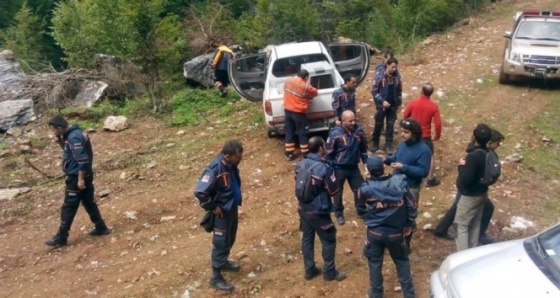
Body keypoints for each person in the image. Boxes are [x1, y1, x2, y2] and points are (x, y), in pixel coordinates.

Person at [44, 115, 109, 247]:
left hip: (77, 177)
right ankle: (101, 227)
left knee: (69, 206)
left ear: (60, 127)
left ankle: (61, 237)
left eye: (54, 130)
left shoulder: (73, 138)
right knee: (88, 202)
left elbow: (83, 160)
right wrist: (60, 142)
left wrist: (80, 179)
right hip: (86, 175)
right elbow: (70, 152)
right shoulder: (74, 134)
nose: (54, 132)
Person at [434, 128, 504, 244]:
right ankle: (474, 238)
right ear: (489, 142)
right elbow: (468, 177)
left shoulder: (479, 150)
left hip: (472, 188)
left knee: (464, 206)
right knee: (462, 222)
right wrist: (461, 167)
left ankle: (442, 229)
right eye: (497, 143)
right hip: (471, 189)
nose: (499, 145)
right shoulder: (479, 154)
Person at [360, 155, 417, 298]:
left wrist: (368, 179)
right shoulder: (400, 182)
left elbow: (361, 207)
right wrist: (409, 223)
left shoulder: (365, 188)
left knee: (374, 263)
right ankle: (409, 294)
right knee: (402, 261)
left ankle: (376, 294)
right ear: (383, 167)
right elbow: (412, 206)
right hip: (396, 233)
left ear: (368, 171)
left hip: (375, 233)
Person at [194, 140, 244, 292]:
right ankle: (215, 277)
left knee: (230, 238)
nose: (240, 159)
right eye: (237, 157)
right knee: (221, 242)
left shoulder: (230, 165)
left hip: (231, 208)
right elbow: (200, 191)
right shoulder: (215, 169)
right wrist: (213, 207)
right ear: (228, 156)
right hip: (221, 212)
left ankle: (223, 262)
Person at [296, 136, 346, 282]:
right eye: (324, 145)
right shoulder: (324, 168)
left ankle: (309, 269)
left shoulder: (300, 164)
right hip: (319, 211)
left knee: (307, 238)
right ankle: (329, 272)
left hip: (304, 209)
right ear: (320, 148)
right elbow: (333, 190)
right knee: (329, 239)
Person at [382, 118, 430, 248]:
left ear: (414, 133)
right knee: (393, 213)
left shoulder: (424, 150)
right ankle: (393, 240)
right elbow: (396, 157)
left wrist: (404, 167)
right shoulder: (402, 144)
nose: (402, 134)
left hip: (410, 188)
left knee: (408, 217)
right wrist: (386, 159)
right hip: (396, 185)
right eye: (402, 131)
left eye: (406, 132)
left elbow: (423, 172)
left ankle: (406, 244)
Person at [326, 110, 369, 225]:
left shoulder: (359, 132)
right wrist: (330, 170)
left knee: (359, 189)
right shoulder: (335, 134)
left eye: (354, 120)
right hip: (339, 168)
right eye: (350, 121)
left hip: (353, 167)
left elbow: (364, 149)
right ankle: (338, 213)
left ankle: (361, 211)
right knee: (338, 192)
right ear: (343, 121)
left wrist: (366, 164)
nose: (353, 123)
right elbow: (329, 154)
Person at [454, 123, 492, 251]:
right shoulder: (489, 154)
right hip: (482, 193)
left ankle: (462, 256)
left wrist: (461, 166)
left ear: (473, 137)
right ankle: (472, 251)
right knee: (475, 223)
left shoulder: (473, 156)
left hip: (469, 196)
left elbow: (466, 179)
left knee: (461, 225)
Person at [403, 82, 442, 187]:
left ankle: (407, 173)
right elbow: (438, 124)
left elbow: (405, 115)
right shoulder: (433, 106)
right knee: (430, 156)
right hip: (425, 135)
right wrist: (437, 135)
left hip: (413, 133)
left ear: (421, 91)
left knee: (409, 152)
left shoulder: (413, 103)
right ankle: (430, 179)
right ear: (431, 94)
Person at [283, 69, 318, 161]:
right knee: (303, 132)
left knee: (289, 131)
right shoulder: (305, 85)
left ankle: (289, 152)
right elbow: (315, 93)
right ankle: (305, 153)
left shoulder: (288, 80)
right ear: (306, 77)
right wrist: (308, 83)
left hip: (287, 111)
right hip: (298, 113)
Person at [371, 57, 402, 154]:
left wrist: (399, 104)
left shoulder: (397, 77)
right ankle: (375, 143)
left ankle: (388, 145)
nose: (394, 69)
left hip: (392, 105)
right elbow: (374, 91)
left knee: (390, 125)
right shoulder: (379, 77)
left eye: (395, 67)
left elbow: (399, 91)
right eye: (392, 67)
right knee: (378, 124)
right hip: (381, 106)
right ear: (387, 65)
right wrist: (382, 101)